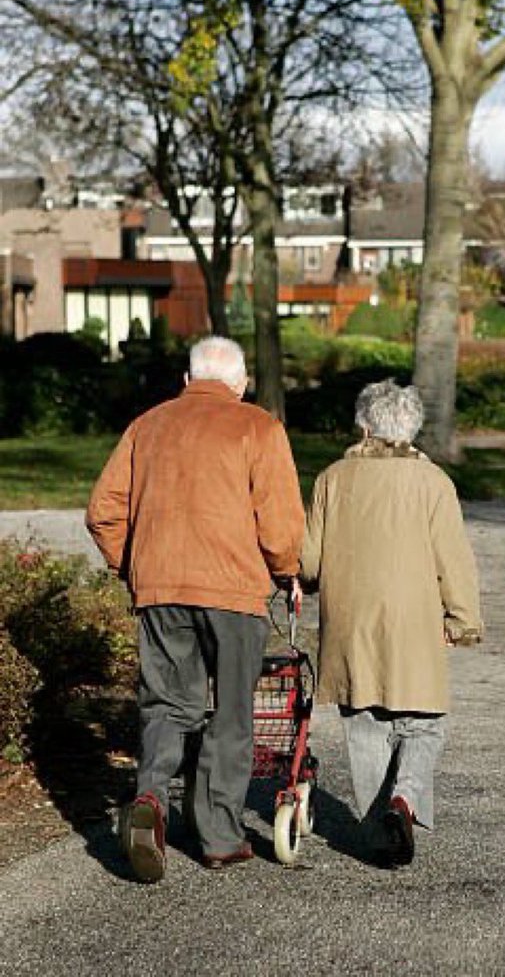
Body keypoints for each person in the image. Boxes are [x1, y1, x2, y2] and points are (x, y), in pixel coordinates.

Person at [86, 335, 304, 882]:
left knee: (166, 705)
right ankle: (220, 837)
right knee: (231, 712)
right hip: (233, 593)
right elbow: (278, 523)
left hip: (160, 588)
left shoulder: (148, 425)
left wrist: (133, 567)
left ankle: (153, 802)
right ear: (242, 383)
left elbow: (102, 511)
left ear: (187, 380)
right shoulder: (258, 427)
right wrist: (288, 571)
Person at [301, 379, 483, 867]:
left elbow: (309, 562)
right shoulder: (433, 483)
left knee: (365, 721)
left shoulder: (331, 479)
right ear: (413, 429)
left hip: (350, 621)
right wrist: (462, 619)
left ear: (363, 425)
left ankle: (381, 819)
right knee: (423, 723)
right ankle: (402, 802)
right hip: (413, 620)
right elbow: (454, 559)